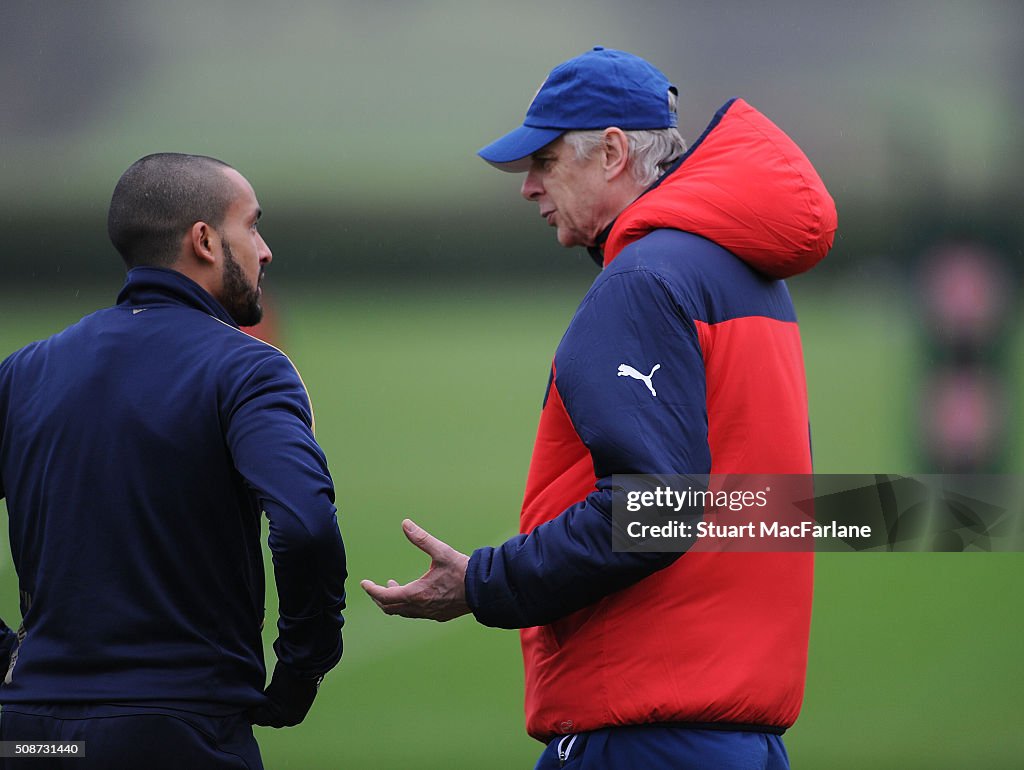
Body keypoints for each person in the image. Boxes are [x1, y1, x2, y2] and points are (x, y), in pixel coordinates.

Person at [362, 47, 837, 768]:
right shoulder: (746, 274)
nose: (527, 187)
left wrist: (485, 582)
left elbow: (656, 510)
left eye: (545, 161)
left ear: (612, 153)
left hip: (646, 729)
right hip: (739, 733)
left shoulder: (644, 279)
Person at [0, 153, 347, 769]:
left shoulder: (25, 371)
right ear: (205, 241)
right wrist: (302, 669)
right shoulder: (247, 369)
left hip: (31, 739)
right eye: (253, 226)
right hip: (179, 734)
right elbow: (305, 526)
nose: (265, 250)